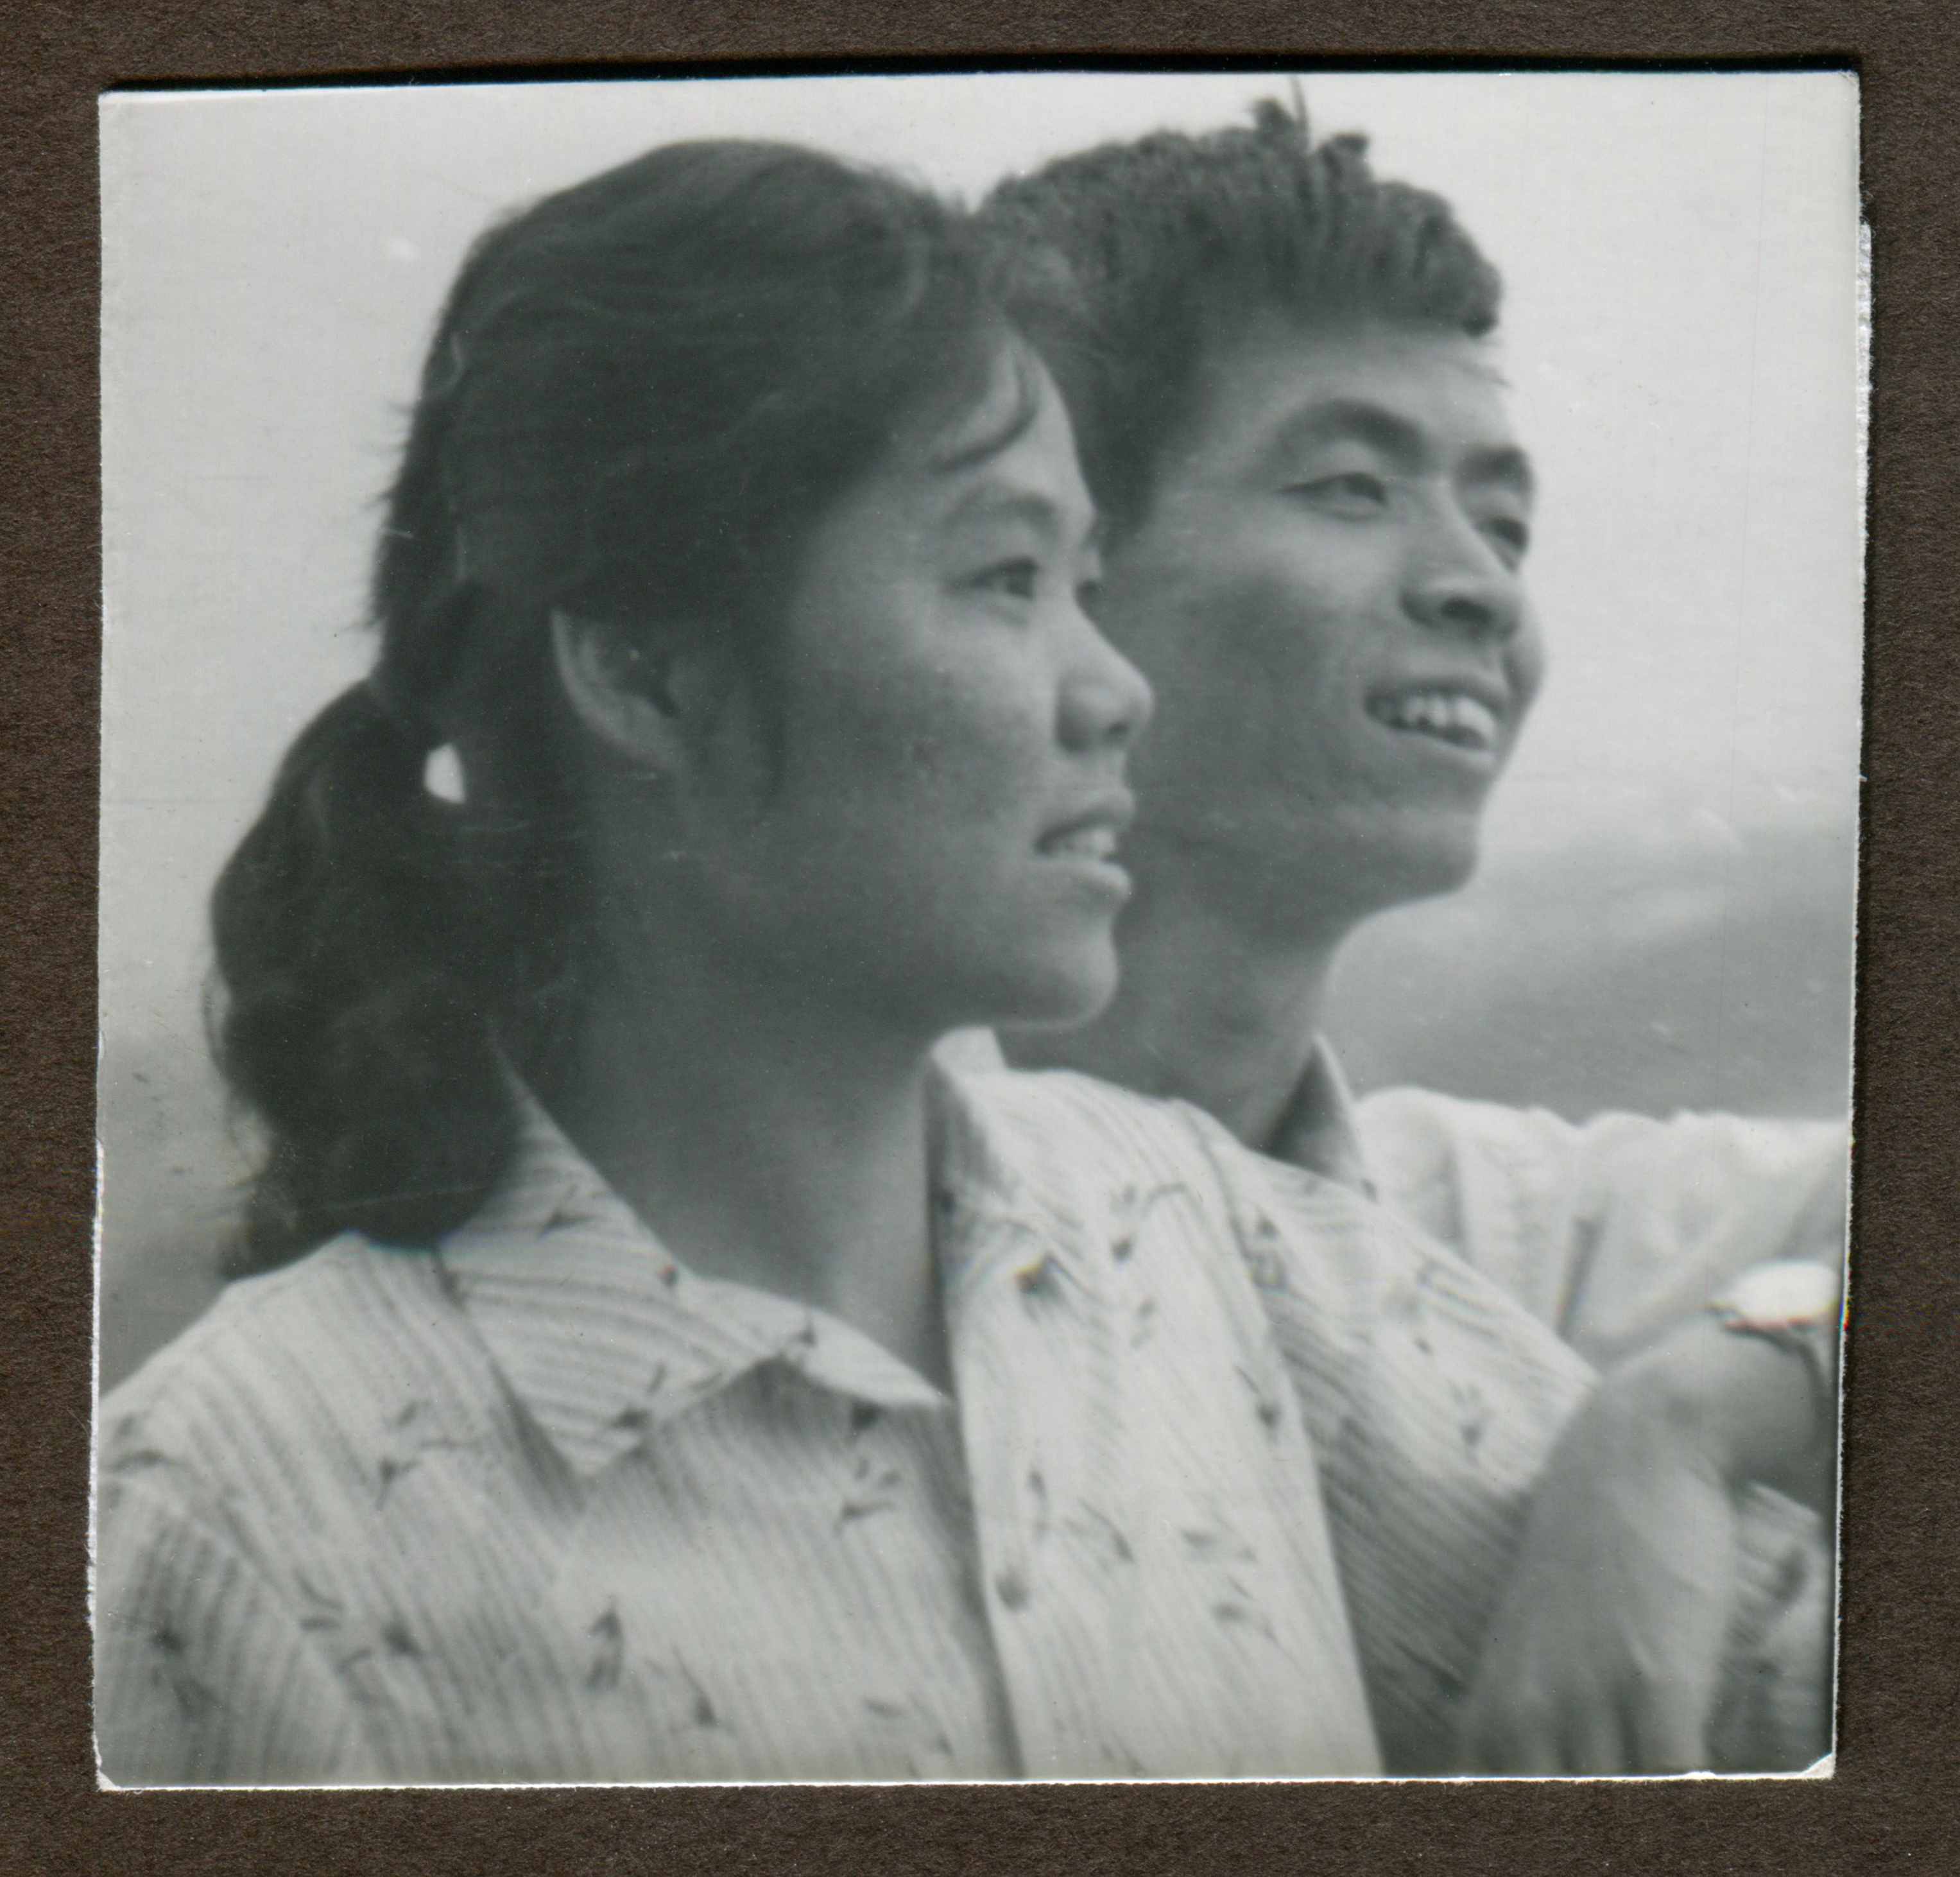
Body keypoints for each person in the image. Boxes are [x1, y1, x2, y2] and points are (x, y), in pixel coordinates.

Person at [96, 135, 1807, 1788]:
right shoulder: (237, 1510)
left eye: (1082, 581)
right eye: (1003, 578)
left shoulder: (1205, 1248)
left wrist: (1693, 1414)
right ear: (647, 674)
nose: (1111, 688)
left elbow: (1820, 1686)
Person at [976, 103, 1844, 1769]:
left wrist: (1705, 1403)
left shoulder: (1496, 1229)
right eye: (1353, 487)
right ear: (1051, 565)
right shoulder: (810, 1225)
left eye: (1504, 522)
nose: (1481, 588)